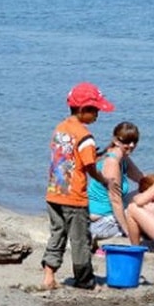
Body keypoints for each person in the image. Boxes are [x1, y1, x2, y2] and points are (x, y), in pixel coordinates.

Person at [42, 82, 113, 291]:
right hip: (74, 198)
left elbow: (71, 157)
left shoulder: (61, 129)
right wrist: (104, 181)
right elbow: (90, 168)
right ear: (83, 110)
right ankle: (84, 280)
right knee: (80, 240)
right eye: (95, 110)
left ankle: (48, 274)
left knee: (57, 234)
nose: (97, 115)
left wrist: (102, 152)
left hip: (54, 193)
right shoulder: (85, 137)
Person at [87, 121, 145, 243]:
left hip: (110, 212)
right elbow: (115, 201)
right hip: (102, 219)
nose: (131, 145)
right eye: (127, 142)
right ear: (116, 141)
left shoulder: (123, 158)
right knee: (141, 218)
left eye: (135, 141)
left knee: (146, 192)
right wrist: (128, 232)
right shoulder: (112, 163)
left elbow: (142, 180)